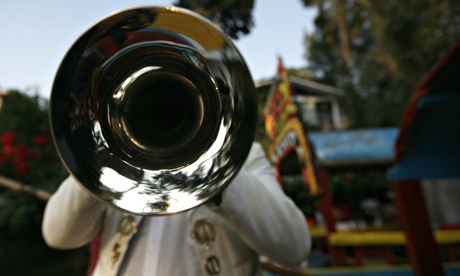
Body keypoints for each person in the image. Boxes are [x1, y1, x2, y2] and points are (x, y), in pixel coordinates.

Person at [42, 142, 311, 275]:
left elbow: (294, 247)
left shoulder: (245, 153)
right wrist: (97, 164)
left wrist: (216, 168)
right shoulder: (114, 150)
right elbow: (57, 234)